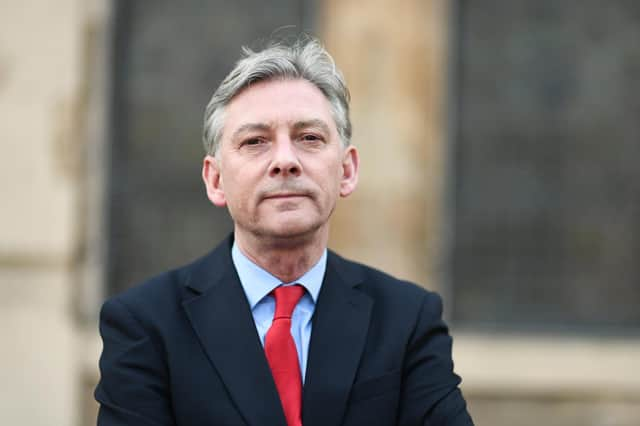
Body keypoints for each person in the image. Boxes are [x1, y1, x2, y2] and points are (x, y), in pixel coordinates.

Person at [95, 36, 474, 426]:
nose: (285, 161)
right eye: (255, 141)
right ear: (216, 180)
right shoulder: (145, 324)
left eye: (309, 138)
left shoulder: (407, 319)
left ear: (347, 170)